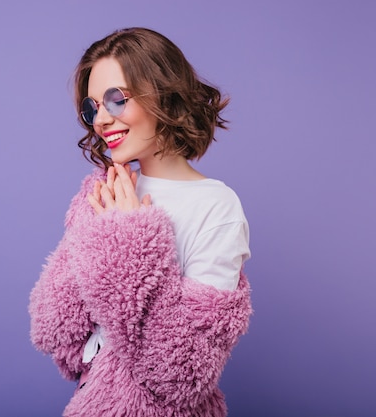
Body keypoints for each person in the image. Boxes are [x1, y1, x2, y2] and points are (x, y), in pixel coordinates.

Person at [29, 27, 252, 416]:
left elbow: (182, 374)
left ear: (163, 93)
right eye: (92, 107)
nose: (100, 120)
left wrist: (131, 241)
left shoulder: (216, 207)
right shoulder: (107, 192)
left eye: (116, 100)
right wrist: (96, 231)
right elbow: (58, 333)